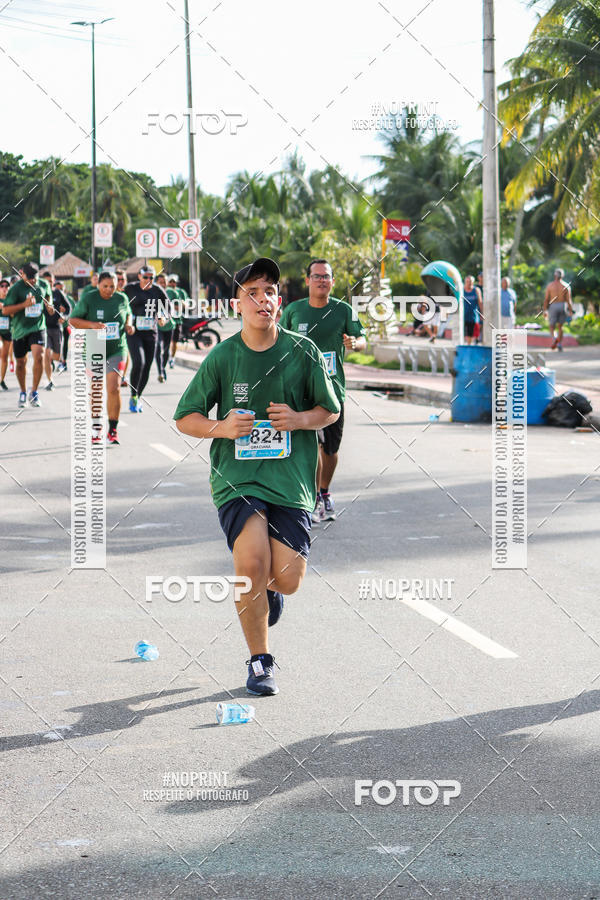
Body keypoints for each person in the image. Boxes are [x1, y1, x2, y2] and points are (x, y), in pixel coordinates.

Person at [174, 258, 339, 696]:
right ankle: (260, 661)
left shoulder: (302, 351)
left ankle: (269, 594)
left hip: (290, 479)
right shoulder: (223, 356)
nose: (262, 299)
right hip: (238, 478)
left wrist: (300, 419)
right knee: (250, 564)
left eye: (269, 291)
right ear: (237, 305)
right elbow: (185, 418)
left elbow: (330, 409)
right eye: (251, 292)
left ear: (279, 302)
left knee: (287, 578)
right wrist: (222, 427)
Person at [279, 258, 366, 523]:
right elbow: (278, 340)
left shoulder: (344, 310)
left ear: (332, 281)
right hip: (301, 391)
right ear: (307, 280)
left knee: (330, 450)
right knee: (313, 446)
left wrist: (355, 343)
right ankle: (314, 497)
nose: (321, 280)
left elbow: (362, 339)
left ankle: (324, 491)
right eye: (316, 276)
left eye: (326, 276)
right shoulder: (294, 311)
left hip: (332, 392)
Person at [69, 271, 134, 445]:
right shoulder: (89, 298)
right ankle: (96, 428)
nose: (109, 290)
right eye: (105, 286)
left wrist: (129, 325)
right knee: (97, 389)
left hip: (117, 349)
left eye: (112, 286)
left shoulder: (121, 298)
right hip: (94, 349)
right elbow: (73, 320)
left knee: (114, 388)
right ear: (98, 284)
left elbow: (128, 314)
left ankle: (113, 430)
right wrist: (92, 325)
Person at [2, 262, 54, 407]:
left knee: (39, 356)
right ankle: (23, 392)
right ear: (21, 274)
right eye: (29, 277)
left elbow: (48, 298)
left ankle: (34, 392)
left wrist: (50, 307)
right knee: (20, 363)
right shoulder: (15, 289)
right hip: (20, 330)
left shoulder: (43, 284)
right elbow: (5, 310)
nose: (32, 280)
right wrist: (23, 305)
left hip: (38, 326)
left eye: (34, 277)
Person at [123, 265, 167, 412]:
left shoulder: (157, 290)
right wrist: (126, 321)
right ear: (139, 276)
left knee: (147, 366)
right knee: (139, 362)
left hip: (150, 332)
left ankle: (137, 396)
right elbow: (121, 303)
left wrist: (163, 317)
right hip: (134, 331)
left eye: (151, 278)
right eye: (145, 277)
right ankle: (133, 394)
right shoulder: (130, 288)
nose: (148, 280)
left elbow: (167, 307)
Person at [40, 271, 70, 390]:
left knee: (57, 356)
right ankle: (50, 380)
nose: (50, 283)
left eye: (51, 281)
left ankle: (51, 361)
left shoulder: (58, 293)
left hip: (57, 328)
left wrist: (65, 316)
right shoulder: (40, 293)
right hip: (44, 328)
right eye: (47, 281)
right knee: (47, 354)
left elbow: (68, 307)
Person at [544, 268, 573, 351]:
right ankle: (559, 343)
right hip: (562, 305)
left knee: (551, 326)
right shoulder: (566, 286)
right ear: (562, 276)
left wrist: (545, 310)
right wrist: (570, 311)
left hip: (553, 306)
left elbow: (546, 299)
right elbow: (569, 300)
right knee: (560, 326)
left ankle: (555, 339)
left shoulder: (550, 286)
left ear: (554, 275)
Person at [155, 273, 175, 382]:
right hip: (157, 327)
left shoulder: (171, 292)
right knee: (158, 348)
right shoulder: (153, 292)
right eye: (161, 282)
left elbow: (176, 305)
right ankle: (160, 372)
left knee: (166, 350)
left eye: (165, 282)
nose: (163, 284)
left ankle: (163, 367)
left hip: (169, 326)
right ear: (156, 283)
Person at [54, 279, 73, 374]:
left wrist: (65, 315)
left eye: (61, 289)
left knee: (65, 344)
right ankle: (55, 361)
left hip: (66, 325)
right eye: (57, 289)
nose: (59, 291)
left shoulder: (69, 299)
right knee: (56, 344)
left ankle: (64, 361)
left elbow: (73, 311)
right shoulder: (52, 297)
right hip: (55, 326)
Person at [462, 275, 482, 346]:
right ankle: (467, 346)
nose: (469, 283)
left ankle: (471, 345)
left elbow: (480, 302)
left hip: (473, 316)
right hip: (463, 315)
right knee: (465, 333)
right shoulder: (462, 290)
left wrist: (481, 313)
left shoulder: (476, 290)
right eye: (467, 282)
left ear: (473, 282)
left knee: (472, 333)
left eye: (470, 282)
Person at [0, 278, 13, 390]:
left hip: (8, 331)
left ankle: (2, 380)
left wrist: (5, 309)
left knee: (4, 357)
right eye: (2, 286)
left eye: (6, 286)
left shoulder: (11, 301)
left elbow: (14, 315)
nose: (4, 288)